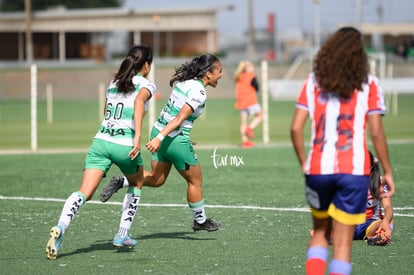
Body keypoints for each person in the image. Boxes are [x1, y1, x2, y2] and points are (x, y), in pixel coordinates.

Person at [290, 26, 395, 275]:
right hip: (353, 170)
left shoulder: (313, 81)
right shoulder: (369, 83)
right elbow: (377, 133)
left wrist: (305, 162)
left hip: (318, 168)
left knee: (319, 234)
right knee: (342, 246)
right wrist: (388, 170)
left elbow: (295, 128)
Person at [45, 45, 156, 260]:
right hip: (124, 144)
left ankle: (60, 227)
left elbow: (107, 111)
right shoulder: (146, 84)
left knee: (84, 192)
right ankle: (122, 234)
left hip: (101, 141)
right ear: (147, 65)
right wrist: (137, 137)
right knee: (137, 182)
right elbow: (139, 101)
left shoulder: (114, 82)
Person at [100, 54, 223, 232]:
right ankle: (200, 221)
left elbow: (173, 113)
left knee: (157, 179)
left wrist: (162, 136)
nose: (221, 75)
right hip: (171, 138)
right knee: (195, 180)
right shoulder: (199, 92)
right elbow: (180, 118)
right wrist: (169, 138)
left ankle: (123, 181)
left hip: (160, 131)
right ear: (208, 74)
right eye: (219, 71)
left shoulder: (185, 83)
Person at [354, 153, 394, 246]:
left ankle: (379, 235)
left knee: (386, 221)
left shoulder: (380, 182)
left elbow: (388, 207)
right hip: (350, 222)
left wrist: (385, 221)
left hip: (371, 222)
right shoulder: (347, 181)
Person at [234, 61, 262, 148]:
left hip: (241, 101)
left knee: (243, 122)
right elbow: (257, 87)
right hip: (250, 100)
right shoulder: (251, 76)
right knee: (260, 116)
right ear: (248, 68)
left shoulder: (238, 77)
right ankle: (250, 128)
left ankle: (245, 141)